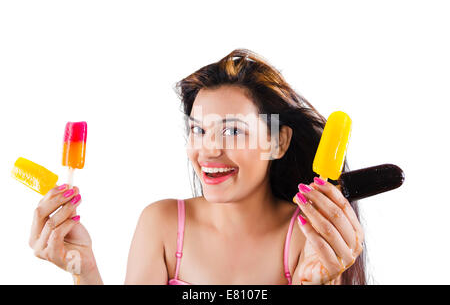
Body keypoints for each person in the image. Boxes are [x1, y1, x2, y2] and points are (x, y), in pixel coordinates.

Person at [29, 49, 366, 285]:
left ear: (277, 141)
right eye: (198, 129)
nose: (209, 149)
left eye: (233, 130)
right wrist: (84, 270)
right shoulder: (161, 225)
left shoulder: (306, 238)